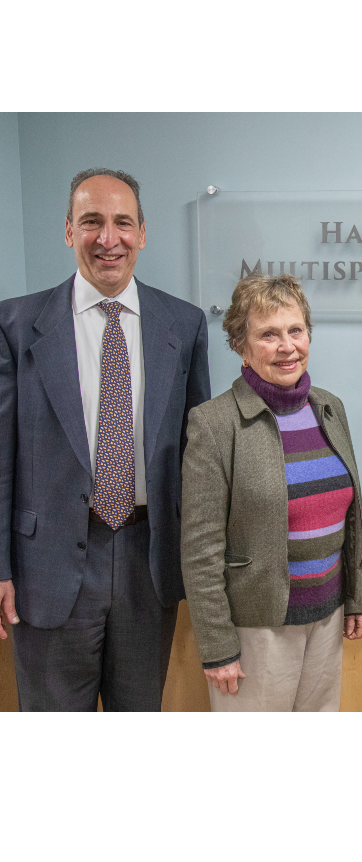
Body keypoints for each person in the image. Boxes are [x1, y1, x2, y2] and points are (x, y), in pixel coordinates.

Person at [0, 168, 211, 711]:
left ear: (143, 231)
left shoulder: (183, 325)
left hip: (149, 563)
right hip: (45, 568)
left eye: (122, 223)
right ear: (69, 231)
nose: (107, 238)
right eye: (91, 222)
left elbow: (198, 461)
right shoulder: (17, 325)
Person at [181, 273, 362, 712]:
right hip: (255, 630)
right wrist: (218, 647)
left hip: (327, 618)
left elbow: (351, 515)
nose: (287, 346)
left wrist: (357, 595)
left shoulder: (329, 408)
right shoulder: (214, 424)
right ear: (240, 346)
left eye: (295, 330)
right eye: (268, 334)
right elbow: (200, 549)